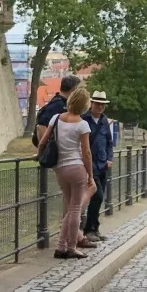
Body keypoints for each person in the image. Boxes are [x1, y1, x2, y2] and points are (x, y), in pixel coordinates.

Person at [37, 85, 95, 259]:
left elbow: (42, 142)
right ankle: (71, 246)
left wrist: (40, 156)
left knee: (70, 208)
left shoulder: (56, 118)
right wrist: (90, 175)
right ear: (85, 105)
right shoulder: (82, 124)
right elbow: (86, 153)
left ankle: (60, 247)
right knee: (76, 209)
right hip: (76, 168)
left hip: (60, 168)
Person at [82, 91, 113, 242]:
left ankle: (95, 227)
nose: (100, 106)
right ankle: (88, 229)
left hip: (102, 164)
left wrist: (109, 158)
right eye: (97, 103)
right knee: (97, 195)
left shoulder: (104, 121)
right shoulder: (84, 119)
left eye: (102, 104)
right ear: (92, 104)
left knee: (99, 198)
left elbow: (109, 142)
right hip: (89, 164)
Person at [33, 73, 81, 144]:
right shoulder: (57, 106)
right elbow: (41, 126)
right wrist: (45, 150)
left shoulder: (62, 103)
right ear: (74, 89)